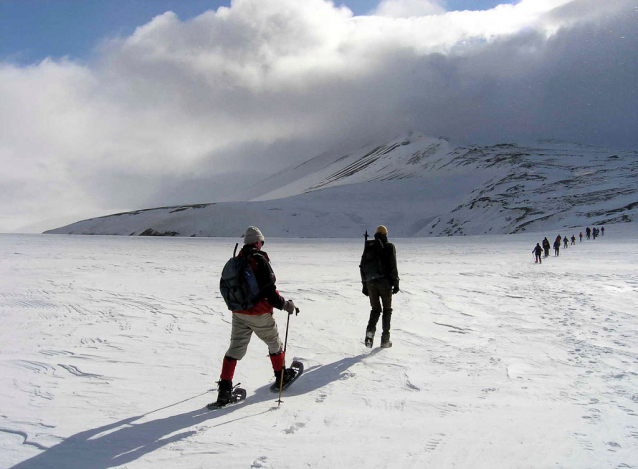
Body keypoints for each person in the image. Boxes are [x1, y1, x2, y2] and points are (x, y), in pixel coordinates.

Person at [214, 226, 297, 406]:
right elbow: (269, 291)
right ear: (258, 242)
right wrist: (286, 305)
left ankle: (224, 391)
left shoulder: (238, 260)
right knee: (274, 343)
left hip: (238, 312)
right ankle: (281, 377)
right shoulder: (258, 260)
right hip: (258, 312)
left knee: (235, 349)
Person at [360, 225, 399, 348]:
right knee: (387, 310)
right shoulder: (389, 247)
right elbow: (393, 266)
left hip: (371, 283)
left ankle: (370, 332)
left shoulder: (369, 247)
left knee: (375, 310)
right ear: (386, 234)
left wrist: (365, 285)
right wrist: (396, 282)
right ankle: (385, 340)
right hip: (384, 283)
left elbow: (362, 267)